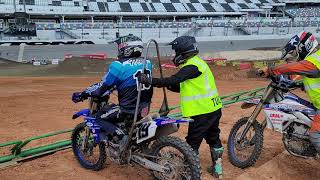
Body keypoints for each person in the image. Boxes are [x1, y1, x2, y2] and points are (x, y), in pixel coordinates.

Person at [138, 36, 224, 178]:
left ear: (183, 52)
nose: (175, 55)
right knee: (213, 137)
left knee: (192, 143)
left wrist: (150, 81)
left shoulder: (191, 66)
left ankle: (189, 172)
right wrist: (167, 85)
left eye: (176, 52)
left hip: (202, 111)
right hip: (213, 108)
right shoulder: (198, 63)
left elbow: (174, 79)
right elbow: (181, 86)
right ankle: (218, 169)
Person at [72, 34, 153, 150]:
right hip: (144, 108)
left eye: (120, 47)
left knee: (99, 117)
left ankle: (121, 137)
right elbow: (131, 81)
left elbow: (101, 88)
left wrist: (83, 94)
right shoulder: (147, 63)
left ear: (125, 49)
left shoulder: (118, 66)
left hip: (127, 109)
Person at [259, 31, 320, 153]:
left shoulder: (314, 59)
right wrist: (296, 84)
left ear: (303, 47)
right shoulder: (313, 60)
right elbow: (312, 80)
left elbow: (294, 67)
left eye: (295, 52)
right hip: (317, 104)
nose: (296, 56)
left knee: (315, 134)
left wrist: (272, 70)